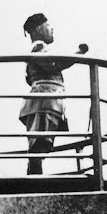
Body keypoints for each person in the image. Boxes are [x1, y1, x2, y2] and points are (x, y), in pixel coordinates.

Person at [19, 13, 88, 175]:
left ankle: (35, 175)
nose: (52, 29)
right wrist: (78, 53)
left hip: (48, 100)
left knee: (42, 144)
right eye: (48, 25)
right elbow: (54, 65)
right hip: (45, 101)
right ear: (38, 29)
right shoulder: (38, 47)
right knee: (39, 145)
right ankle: (35, 179)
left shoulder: (38, 48)